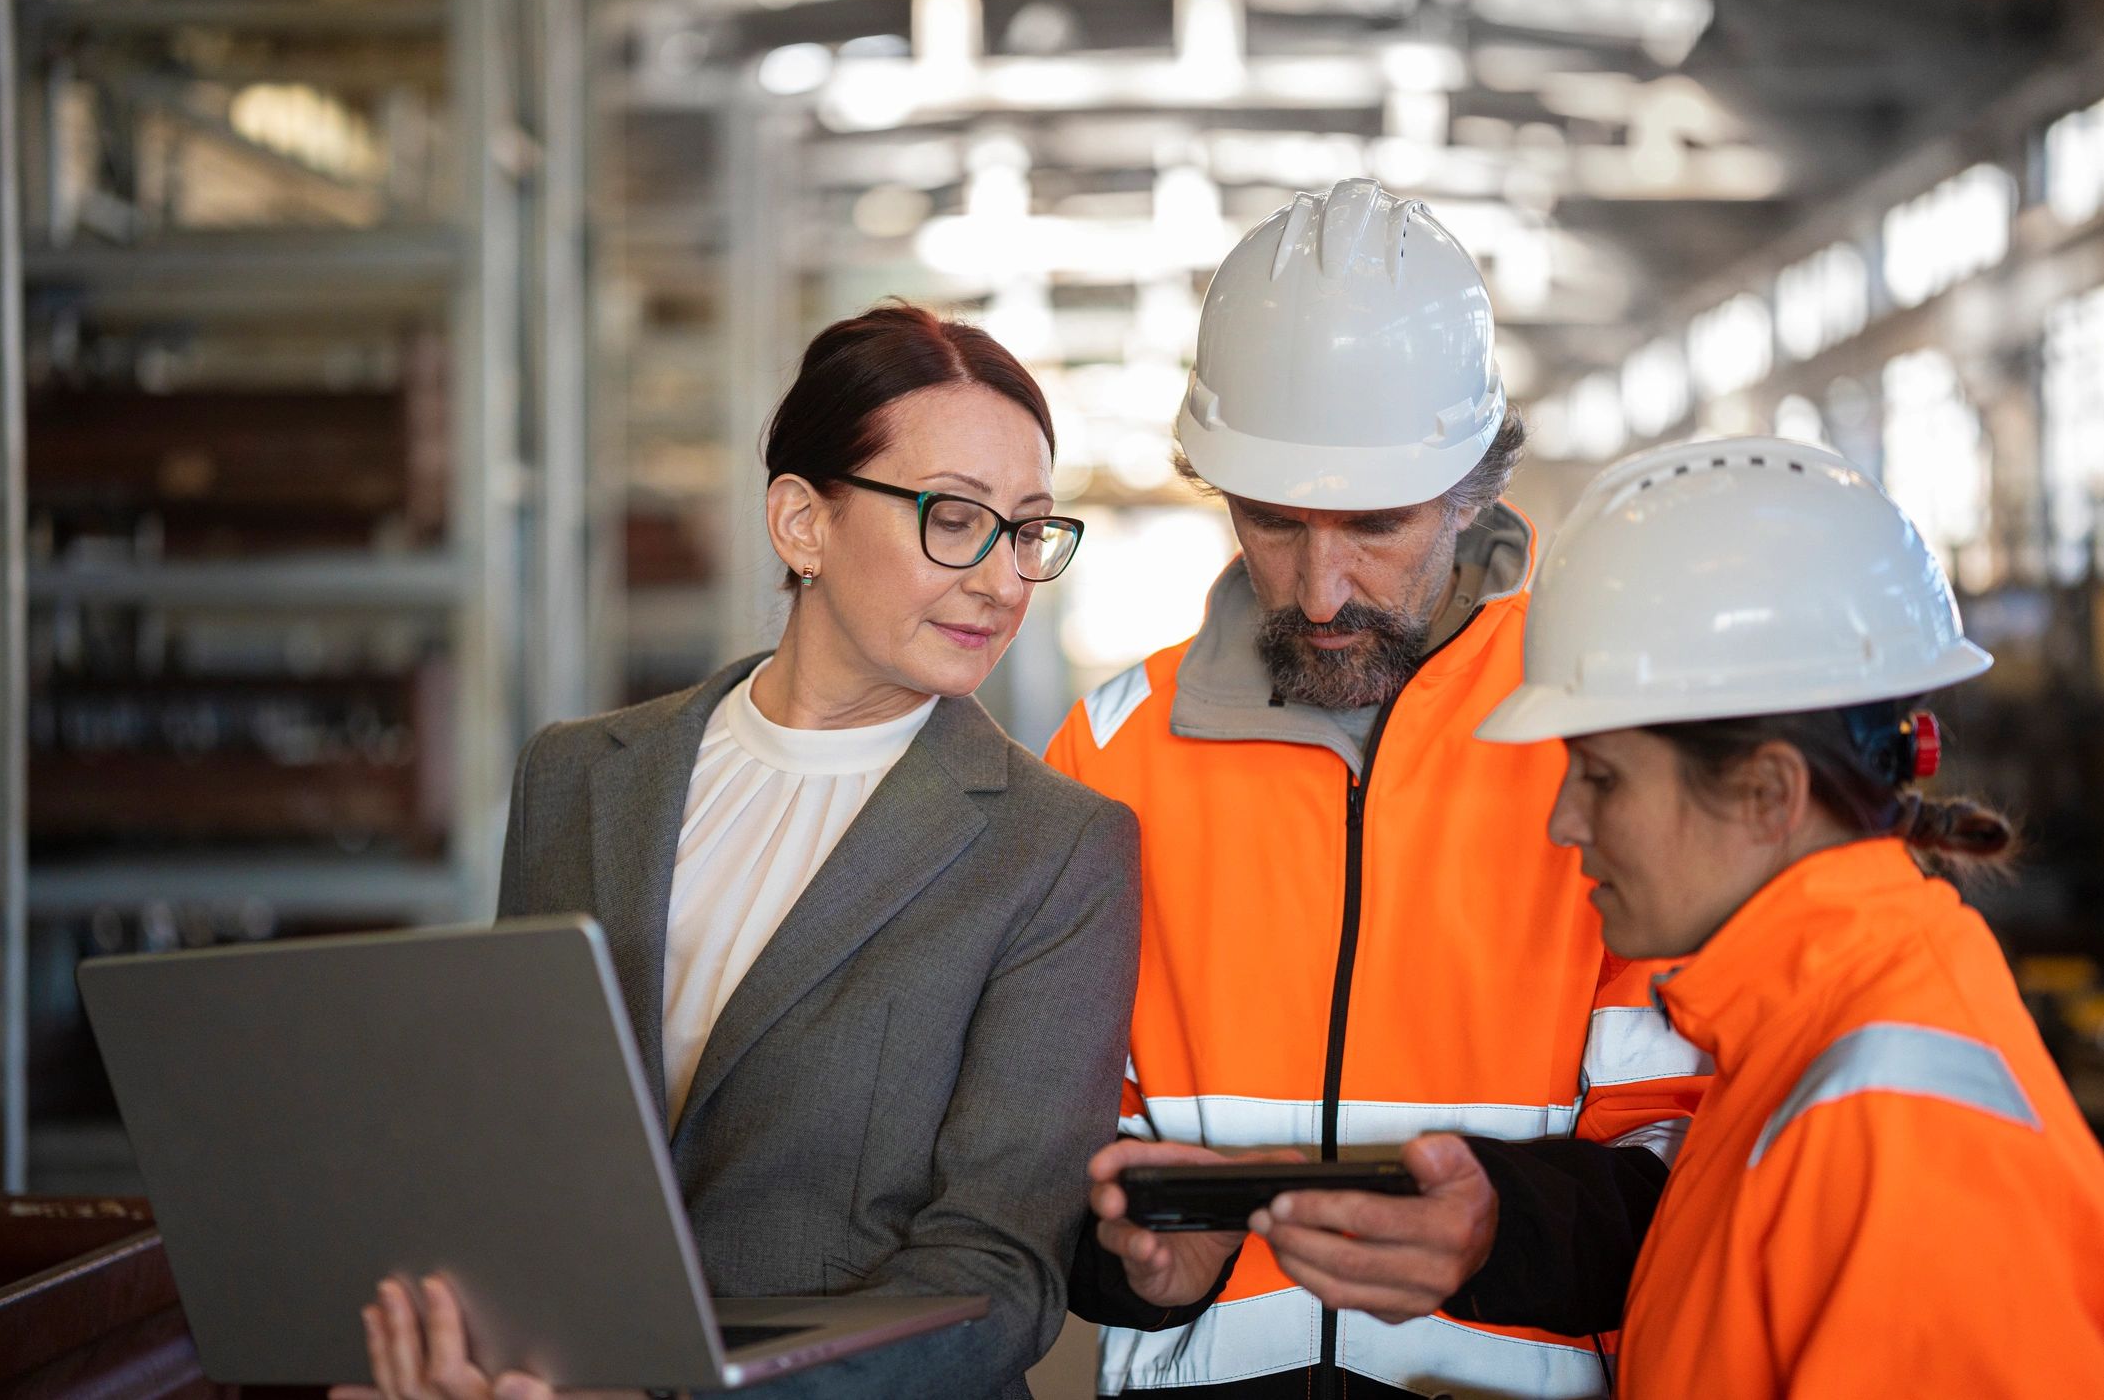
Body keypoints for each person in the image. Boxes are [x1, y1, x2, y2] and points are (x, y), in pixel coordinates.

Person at [332, 303, 1142, 1400]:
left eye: (1029, 528)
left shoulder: (1056, 849)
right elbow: (520, 1148)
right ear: (802, 522)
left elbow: (997, 1276)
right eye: (955, 518)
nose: (1003, 580)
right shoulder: (579, 777)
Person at [1047, 178, 1708, 1400]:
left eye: (1376, 525)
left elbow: (1695, 1165)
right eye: (1274, 522)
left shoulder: (1603, 740)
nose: (1319, 588)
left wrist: (1492, 1233)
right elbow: (1034, 1152)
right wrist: (1137, 1262)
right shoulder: (1110, 753)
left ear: (1474, 485)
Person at [1474, 435, 2104, 1397]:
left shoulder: (1897, 1137)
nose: (1563, 821)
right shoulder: (1802, 1043)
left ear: (1769, 793)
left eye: (1600, 777)